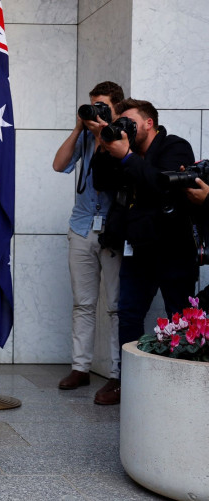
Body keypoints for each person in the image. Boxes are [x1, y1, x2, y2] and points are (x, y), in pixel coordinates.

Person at [92, 98, 197, 403]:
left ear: (149, 123)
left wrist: (126, 157)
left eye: (130, 121)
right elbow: (101, 181)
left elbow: (162, 185)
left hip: (174, 249)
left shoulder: (175, 147)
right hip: (137, 249)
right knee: (128, 316)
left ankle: (184, 382)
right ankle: (129, 383)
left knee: (179, 314)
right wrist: (104, 145)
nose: (124, 127)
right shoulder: (125, 153)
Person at [52, 81, 124, 404]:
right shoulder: (84, 137)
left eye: (103, 107)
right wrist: (79, 128)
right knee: (83, 303)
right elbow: (59, 165)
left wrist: (106, 134)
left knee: (115, 306)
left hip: (112, 231)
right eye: (93, 105)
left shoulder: (122, 136)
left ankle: (118, 373)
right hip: (81, 227)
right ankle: (80, 367)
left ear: (117, 109)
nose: (96, 111)